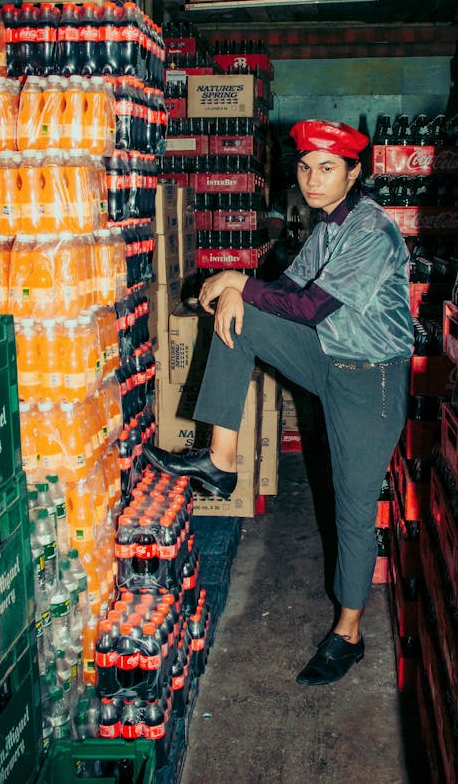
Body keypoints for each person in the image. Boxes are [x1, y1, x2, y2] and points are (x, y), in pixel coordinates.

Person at [144, 119, 414, 685]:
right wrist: (236, 290)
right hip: (328, 357)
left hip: (370, 382)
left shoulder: (372, 231)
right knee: (240, 317)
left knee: (353, 509)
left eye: (327, 168)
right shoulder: (327, 227)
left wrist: (235, 281)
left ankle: (349, 634)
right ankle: (220, 460)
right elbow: (287, 291)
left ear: (354, 173)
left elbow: (311, 307)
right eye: (306, 167)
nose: (312, 179)